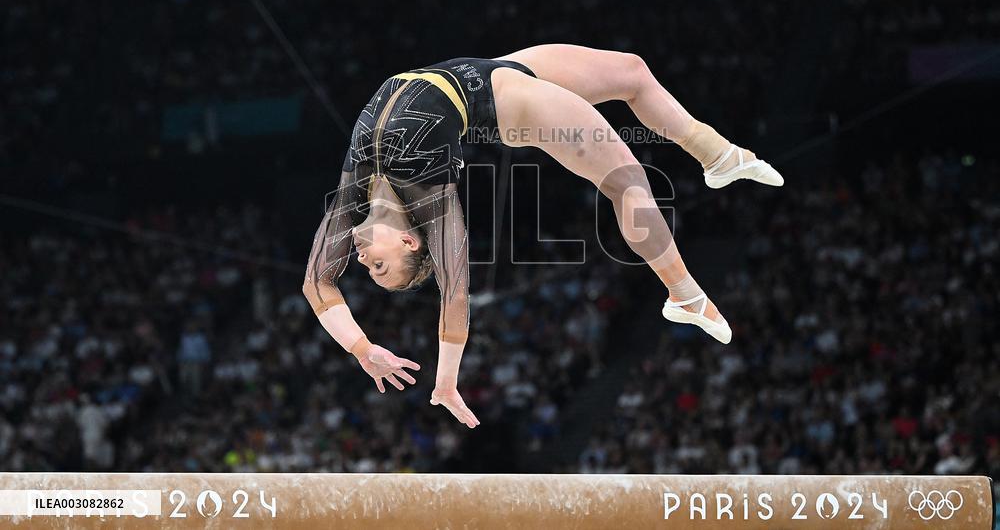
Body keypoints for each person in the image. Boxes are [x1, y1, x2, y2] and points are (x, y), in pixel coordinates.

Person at [302, 44, 783, 428]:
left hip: (489, 69)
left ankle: (718, 156)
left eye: (368, 269)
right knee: (627, 181)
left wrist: (363, 349)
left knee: (634, 73)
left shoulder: (351, 196)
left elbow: (317, 283)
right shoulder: (432, 200)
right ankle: (685, 294)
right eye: (378, 269)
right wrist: (445, 381)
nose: (363, 263)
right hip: (508, 104)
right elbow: (455, 290)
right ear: (411, 241)